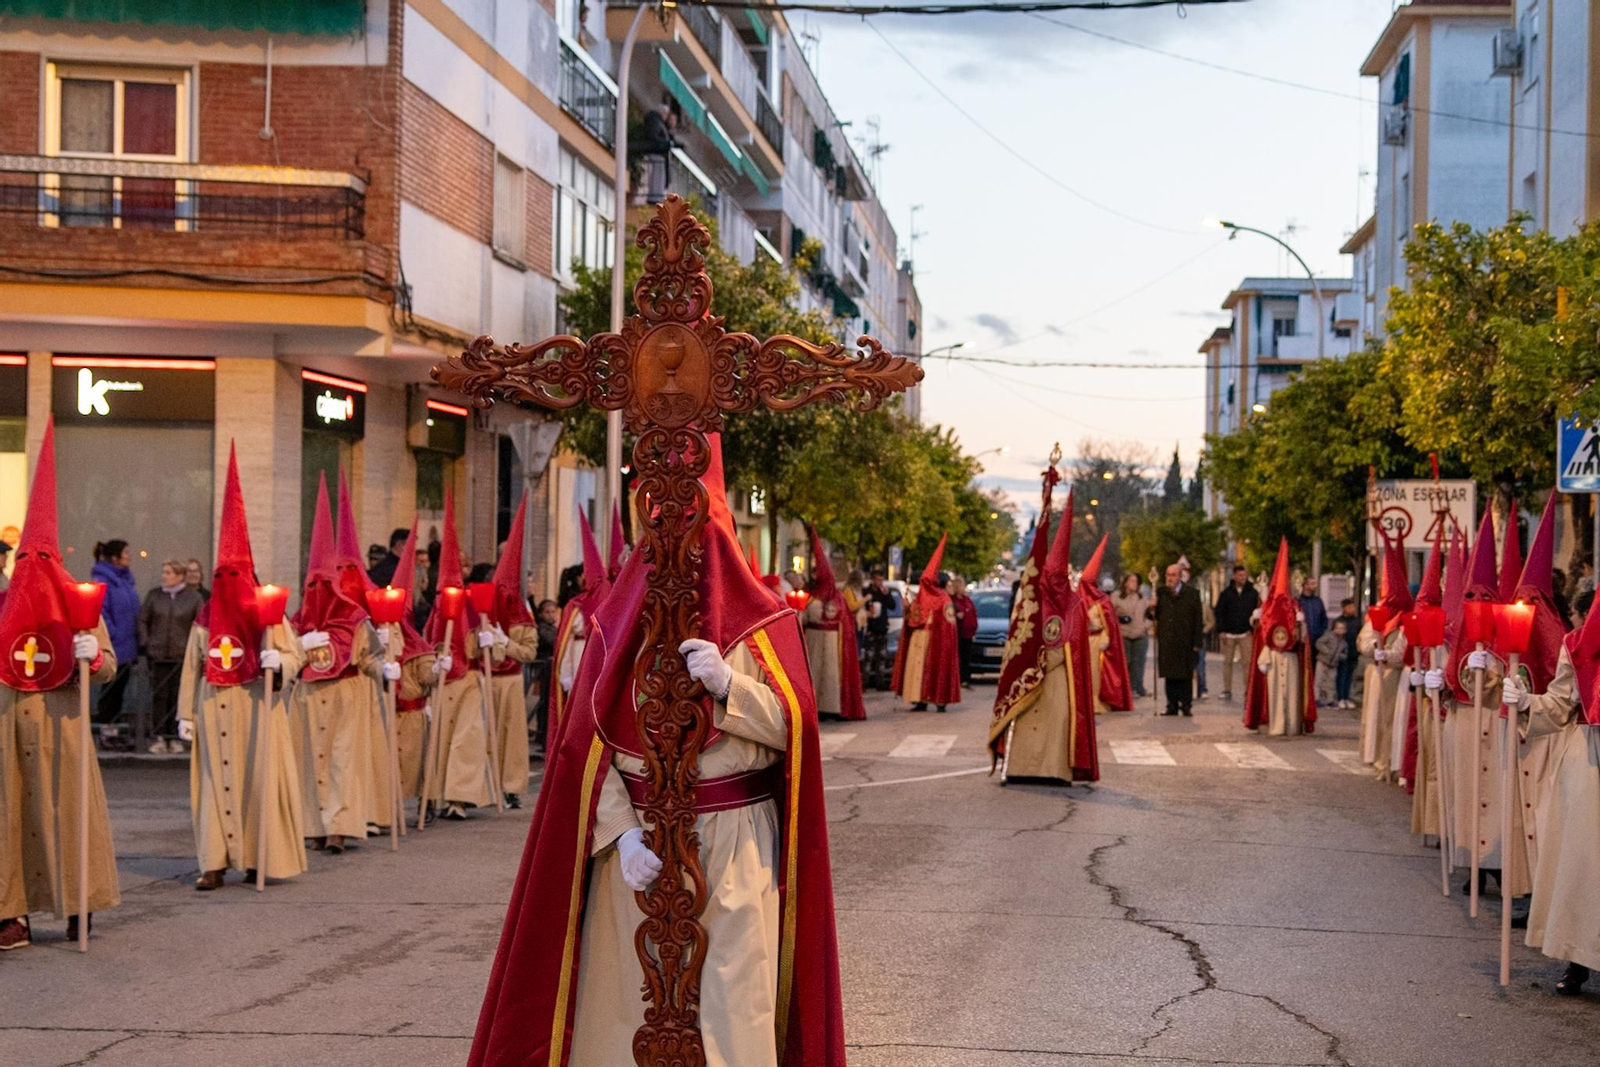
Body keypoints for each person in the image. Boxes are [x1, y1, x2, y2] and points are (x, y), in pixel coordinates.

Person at [467, 434, 844, 1065]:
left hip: (735, 841)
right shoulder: (616, 627)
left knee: (731, 1012)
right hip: (637, 845)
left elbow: (796, 733)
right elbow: (582, 746)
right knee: (628, 1015)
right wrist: (618, 833)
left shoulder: (767, 622)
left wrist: (732, 690)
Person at [0, 420, 120, 949]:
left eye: (41, 558)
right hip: (7, 726)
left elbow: (110, 663)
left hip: (62, 726)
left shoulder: (79, 601)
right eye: (26, 558)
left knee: (69, 813)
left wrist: (92, 656)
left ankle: (79, 904)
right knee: (8, 819)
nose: (33, 566)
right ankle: (12, 913)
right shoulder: (2, 606)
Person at [176, 445, 309, 890]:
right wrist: (186, 714)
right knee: (214, 785)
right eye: (222, 576)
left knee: (257, 781)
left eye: (236, 575)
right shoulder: (205, 618)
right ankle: (213, 861)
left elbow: (295, 655)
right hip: (213, 705)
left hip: (257, 706)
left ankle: (257, 857)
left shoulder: (268, 615)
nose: (228, 585)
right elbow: (192, 665)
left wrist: (280, 661)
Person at [1500, 576, 1598, 997]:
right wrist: (1525, 702)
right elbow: (1560, 706)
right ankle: (1578, 958)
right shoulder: (1577, 645)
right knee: (1583, 863)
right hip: (1589, 763)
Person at [287, 474, 388, 853]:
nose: (318, 592)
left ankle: (340, 825)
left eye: (323, 584)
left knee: (342, 762)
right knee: (311, 762)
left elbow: (368, 656)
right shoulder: (300, 619)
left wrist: (385, 669)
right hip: (308, 698)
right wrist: (299, 646)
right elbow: (287, 657)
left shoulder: (354, 617)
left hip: (347, 695)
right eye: (311, 585)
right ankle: (313, 824)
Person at [988, 489, 1098, 784]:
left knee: (1057, 722)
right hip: (1032, 675)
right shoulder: (1033, 601)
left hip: (1058, 677)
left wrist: (1043, 662)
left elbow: (1071, 643)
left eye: (1056, 577)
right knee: (1027, 721)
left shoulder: (1074, 605)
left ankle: (1054, 770)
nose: (1052, 582)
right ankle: (1023, 769)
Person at [421, 491, 500, 821]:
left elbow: (492, 646)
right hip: (442, 684)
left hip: (467, 680)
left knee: (466, 738)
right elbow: (427, 642)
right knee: (440, 739)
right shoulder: (436, 606)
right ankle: (438, 795)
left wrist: (488, 641)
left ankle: (461, 796)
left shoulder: (474, 603)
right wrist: (433, 660)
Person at [481, 495, 537, 809]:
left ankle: (511, 787)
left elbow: (529, 652)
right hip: (487, 679)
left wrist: (505, 643)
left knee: (512, 737)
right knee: (487, 734)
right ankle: (488, 786)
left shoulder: (520, 615)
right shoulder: (483, 607)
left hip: (512, 680)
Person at [1244, 538, 1315, 736]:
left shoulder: (1295, 607)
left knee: (1292, 694)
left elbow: (1302, 639)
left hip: (1291, 657)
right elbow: (1261, 631)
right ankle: (1274, 724)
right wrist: (1257, 619)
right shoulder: (1268, 608)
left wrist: (1301, 626)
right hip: (1273, 657)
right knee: (1274, 693)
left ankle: (1292, 724)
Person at [550, 512, 609, 739]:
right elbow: (564, 643)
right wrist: (564, 674)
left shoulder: (608, 602)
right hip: (576, 657)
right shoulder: (574, 605)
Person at [138, 558, 205, 752]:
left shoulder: (193, 598)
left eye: (168, 573)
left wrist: (195, 648)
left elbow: (199, 624)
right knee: (159, 696)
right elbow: (143, 619)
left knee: (178, 696)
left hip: (182, 656)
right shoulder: (154, 596)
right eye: (164, 572)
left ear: (179, 576)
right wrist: (146, 641)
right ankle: (159, 736)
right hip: (158, 654)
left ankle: (175, 737)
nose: (164, 576)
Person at [1358, 536, 1410, 777]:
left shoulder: (1406, 619)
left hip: (1394, 677)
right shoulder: (1380, 614)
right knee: (1374, 718)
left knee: (1390, 720)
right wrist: (1372, 648)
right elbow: (1363, 640)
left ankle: (1388, 762)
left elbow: (1403, 652)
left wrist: (1387, 654)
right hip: (1375, 673)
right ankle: (1376, 759)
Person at [802, 525, 866, 721]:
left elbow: (802, 619)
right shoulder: (834, 598)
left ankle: (827, 707)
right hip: (823, 640)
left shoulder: (816, 598)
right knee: (824, 674)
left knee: (826, 674)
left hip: (826, 641)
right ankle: (825, 707)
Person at [892, 536, 962, 713]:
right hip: (921, 637)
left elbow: (945, 623)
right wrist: (907, 609)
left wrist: (911, 613)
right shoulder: (927, 598)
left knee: (931, 668)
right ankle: (920, 699)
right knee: (918, 669)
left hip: (934, 639)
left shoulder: (942, 599)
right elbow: (913, 618)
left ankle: (938, 700)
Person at [1079, 536, 1133, 714]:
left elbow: (1109, 624)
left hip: (1096, 642)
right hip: (1082, 642)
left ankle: (1097, 702)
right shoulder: (1077, 601)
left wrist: (1106, 638)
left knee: (1096, 674)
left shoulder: (1102, 602)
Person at [89, 538, 139, 729]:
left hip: (126, 645)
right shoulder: (103, 580)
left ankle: (114, 730)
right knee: (110, 691)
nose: (129, 556)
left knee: (119, 692)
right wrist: (113, 634)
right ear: (115, 557)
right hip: (115, 644)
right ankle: (106, 730)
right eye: (126, 553)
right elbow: (102, 612)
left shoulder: (125, 580)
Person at [1152, 563, 1204, 716]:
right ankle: (1171, 704)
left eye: (1173, 575)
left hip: (1185, 640)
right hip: (1167, 639)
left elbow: (1197, 620)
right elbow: (1152, 616)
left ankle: (1186, 704)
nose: (1170, 578)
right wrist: (1151, 607)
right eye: (1168, 575)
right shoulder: (1161, 593)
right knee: (1170, 674)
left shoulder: (1192, 593)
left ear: (1180, 576)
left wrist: (1197, 642)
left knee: (1185, 674)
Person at [1214, 563, 1259, 702]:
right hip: (1229, 633)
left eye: (1245, 575)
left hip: (1246, 633)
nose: (1243, 578)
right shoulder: (1226, 593)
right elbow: (1219, 612)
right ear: (1234, 576)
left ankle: (1248, 690)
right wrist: (1221, 630)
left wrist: (1253, 629)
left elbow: (1257, 612)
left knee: (1247, 663)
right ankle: (1227, 689)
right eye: (1240, 575)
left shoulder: (1252, 593)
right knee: (1227, 662)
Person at [1112, 572, 1149, 698]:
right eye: (1132, 581)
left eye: (1136, 582)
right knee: (1126, 662)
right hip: (1124, 633)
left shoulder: (1142, 598)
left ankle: (1137, 687)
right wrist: (1120, 619)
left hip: (1140, 633)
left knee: (1138, 662)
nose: (1134, 584)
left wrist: (1146, 625)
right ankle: (1125, 688)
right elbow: (1110, 613)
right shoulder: (1117, 597)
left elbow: (1149, 614)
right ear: (1126, 582)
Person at [860, 572, 895, 690]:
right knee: (869, 657)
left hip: (882, 628)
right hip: (871, 628)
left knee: (882, 657)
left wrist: (887, 595)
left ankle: (880, 683)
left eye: (881, 580)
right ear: (872, 580)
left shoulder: (883, 592)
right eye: (877, 580)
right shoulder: (867, 592)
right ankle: (864, 682)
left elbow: (892, 606)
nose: (879, 583)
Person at [950, 576, 978, 687]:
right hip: (959, 633)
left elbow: (973, 613)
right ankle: (959, 679)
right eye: (962, 585)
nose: (963, 588)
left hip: (969, 633)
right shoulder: (952, 601)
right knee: (959, 657)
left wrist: (974, 627)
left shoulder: (967, 600)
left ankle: (965, 678)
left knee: (967, 657)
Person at [1335, 598, 1360, 708]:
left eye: (1353, 607)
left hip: (1353, 652)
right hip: (1342, 653)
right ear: (1344, 608)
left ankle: (1346, 697)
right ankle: (1340, 697)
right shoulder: (1339, 621)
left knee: (1350, 676)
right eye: (1349, 607)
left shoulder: (1357, 621)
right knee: (1341, 675)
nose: (1352, 609)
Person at [1316, 619, 1348, 708]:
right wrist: (1326, 651)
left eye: (1342, 629)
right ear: (1334, 628)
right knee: (1319, 681)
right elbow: (1319, 643)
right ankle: (1317, 699)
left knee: (1331, 683)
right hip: (1322, 661)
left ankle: (1329, 700)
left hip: (1333, 664)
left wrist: (1339, 656)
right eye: (1338, 628)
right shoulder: (1328, 636)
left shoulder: (1343, 643)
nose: (1340, 630)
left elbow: (1345, 654)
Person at [1298, 577, 1329, 647]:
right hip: (1302, 641)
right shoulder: (1298, 601)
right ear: (1305, 585)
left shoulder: (1318, 601)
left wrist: (1321, 632)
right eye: (1312, 584)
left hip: (1317, 641)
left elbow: (1323, 618)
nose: (1315, 586)